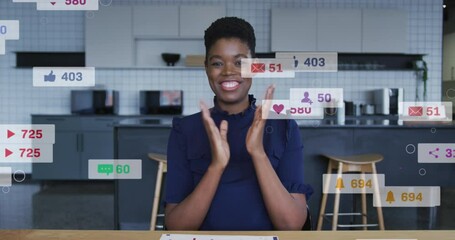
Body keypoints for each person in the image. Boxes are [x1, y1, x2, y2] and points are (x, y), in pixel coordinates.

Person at [164, 16, 313, 230]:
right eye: (217, 63)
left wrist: (258, 153)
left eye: (240, 62)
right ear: (206, 68)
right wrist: (216, 167)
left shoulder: (284, 127)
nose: (228, 71)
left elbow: (291, 226)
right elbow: (177, 228)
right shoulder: (184, 130)